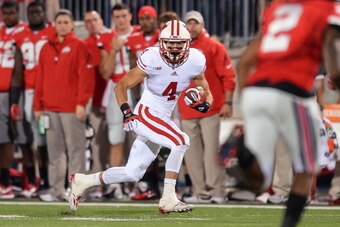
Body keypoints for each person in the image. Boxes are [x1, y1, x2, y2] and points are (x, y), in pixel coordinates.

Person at [69, 20, 212, 213]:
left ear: (188, 43)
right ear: (162, 42)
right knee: (181, 141)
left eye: (179, 43)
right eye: (171, 43)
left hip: (163, 117)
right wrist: (127, 112)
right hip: (146, 113)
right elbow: (121, 86)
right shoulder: (152, 58)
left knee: (132, 172)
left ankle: (83, 181)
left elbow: (205, 88)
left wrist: (204, 104)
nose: (175, 48)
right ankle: (168, 198)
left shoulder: (195, 60)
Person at [235, 0, 340, 226]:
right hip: (293, 93)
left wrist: (247, 105)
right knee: (307, 167)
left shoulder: (278, 7)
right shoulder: (326, 8)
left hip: (255, 91)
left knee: (259, 180)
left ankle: (247, 159)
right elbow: (332, 52)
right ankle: (289, 223)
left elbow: (243, 63)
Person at [33, 9, 95, 202]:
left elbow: (86, 79)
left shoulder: (79, 46)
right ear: (55, 24)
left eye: (66, 22)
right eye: (59, 22)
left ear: (71, 25)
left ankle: (78, 192)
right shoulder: (46, 47)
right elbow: (40, 77)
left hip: (71, 108)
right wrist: (37, 105)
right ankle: (56, 189)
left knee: (75, 151)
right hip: (50, 109)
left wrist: (81, 104)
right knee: (55, 152)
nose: (62, 25)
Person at [178, 11, 235, 204]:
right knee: (192, 154)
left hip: (211, 107)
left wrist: (228, 102)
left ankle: (218, 191)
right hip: (187, 109)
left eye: (195, 23)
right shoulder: (178, 47)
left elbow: (228, 76)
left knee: (212, 152)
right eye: (189, 23)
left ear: (202, 25)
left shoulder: (214, 47)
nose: (192, 27)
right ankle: (200, 191)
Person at [10, 1, 55, 198]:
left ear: (44, 13)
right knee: (35, 138)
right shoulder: (20, 36)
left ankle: (49, 180)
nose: (35, 15)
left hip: (48, 92)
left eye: (38, 12)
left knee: (46, 139)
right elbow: (18, 70)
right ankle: (39, 180)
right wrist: (14, 99)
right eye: (31, 12)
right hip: (29, 94)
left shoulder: (53, 32)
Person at [125, 5, 161, 200]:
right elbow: (133, 71)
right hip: (144, 96)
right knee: (144, 138)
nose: (146, 21)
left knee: (165, 140)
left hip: (163, 96)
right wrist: (137, 97)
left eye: (149, 18)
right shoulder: (134, 40)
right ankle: (149, 184)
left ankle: (167, 184)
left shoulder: (162, 38)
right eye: (143, 18)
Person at [0, 1, 28, 199]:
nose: (9, 16)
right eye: (5, 13)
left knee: (19, 138)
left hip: (16, 92)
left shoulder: (24, 32)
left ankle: (27, 180)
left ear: (18, 13)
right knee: (3, 138)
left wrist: (14, 96)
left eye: (12, 12)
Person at [82, 10, 111, 198]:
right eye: (88, 21)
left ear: (101, 20)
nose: (92, 23)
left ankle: (122, 183)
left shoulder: (112, 37)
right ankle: (100, 184)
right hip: (96, 98)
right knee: (98, 143)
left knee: (120, 142)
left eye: (95, 19)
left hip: (116, 97)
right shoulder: (84, 44)